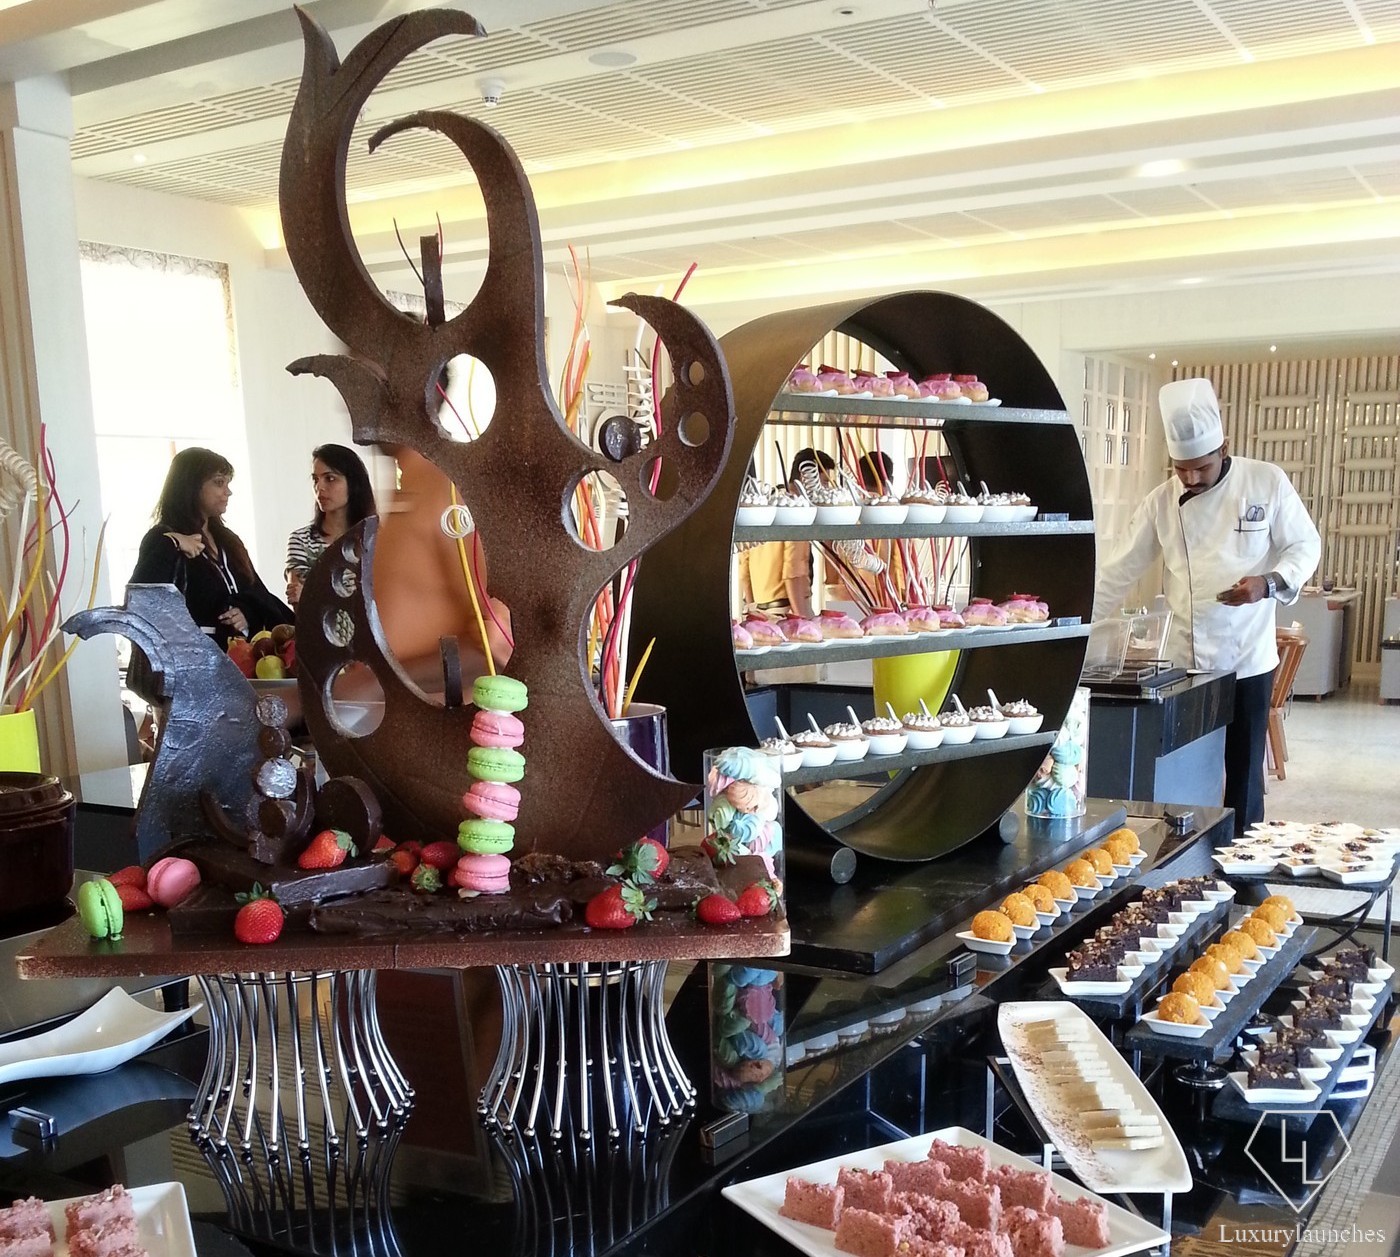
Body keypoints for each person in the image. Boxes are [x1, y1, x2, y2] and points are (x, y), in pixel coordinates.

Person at [1093, 378, 1321, 832]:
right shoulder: (1161, 503)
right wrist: (1072, 626)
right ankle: (1186, 861)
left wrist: (1269, 582)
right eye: (1182, 469)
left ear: (1225, 448)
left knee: (1245, 777)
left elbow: (1305, 545)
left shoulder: (1265, 481)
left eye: (1201, 467)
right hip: (1188, 663)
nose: (1192, 478)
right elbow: (1117, 570)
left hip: (1249, 659)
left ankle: (1244, 868)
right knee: (1185, 773)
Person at [130, 447, 293, 648]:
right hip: (192, 660)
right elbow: (143, 599)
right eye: (219, 483)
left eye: (228, 483)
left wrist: (246, 613)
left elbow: (258, 595)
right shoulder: (163, 539)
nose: (228, 491)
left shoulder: (229, 541)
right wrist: (172, 544)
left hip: (238, 659)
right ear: (191, 486)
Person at [737, 448, 835, 619]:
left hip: (760, 613)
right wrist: (802, 620)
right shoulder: (796, 513)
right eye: (824, 482)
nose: (826, 490)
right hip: (789, 614)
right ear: (806, 476)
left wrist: (753, 611)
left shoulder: (765, 507)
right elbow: (793, 574)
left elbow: (744, 563)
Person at [285, 443, 377, 606]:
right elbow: (299, 604)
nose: (319, 488)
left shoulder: (375, 538)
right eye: (315, 479)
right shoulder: (302, 540)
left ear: (353, 483)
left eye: (330, 478)